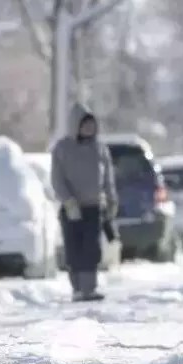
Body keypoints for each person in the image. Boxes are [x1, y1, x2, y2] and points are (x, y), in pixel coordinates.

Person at [50, 103, 118, 301]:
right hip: (71, 208)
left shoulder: (100, 149)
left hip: (93, 207)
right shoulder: (62, 149)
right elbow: (57, 179)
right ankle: (78, 289)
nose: (89, 129)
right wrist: (68, 201)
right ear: (75, 125)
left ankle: (89, 288)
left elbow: (108, 178)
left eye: (92, 125)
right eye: (85, 124)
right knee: (74, 248)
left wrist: (112, 200)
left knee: (92, 249)